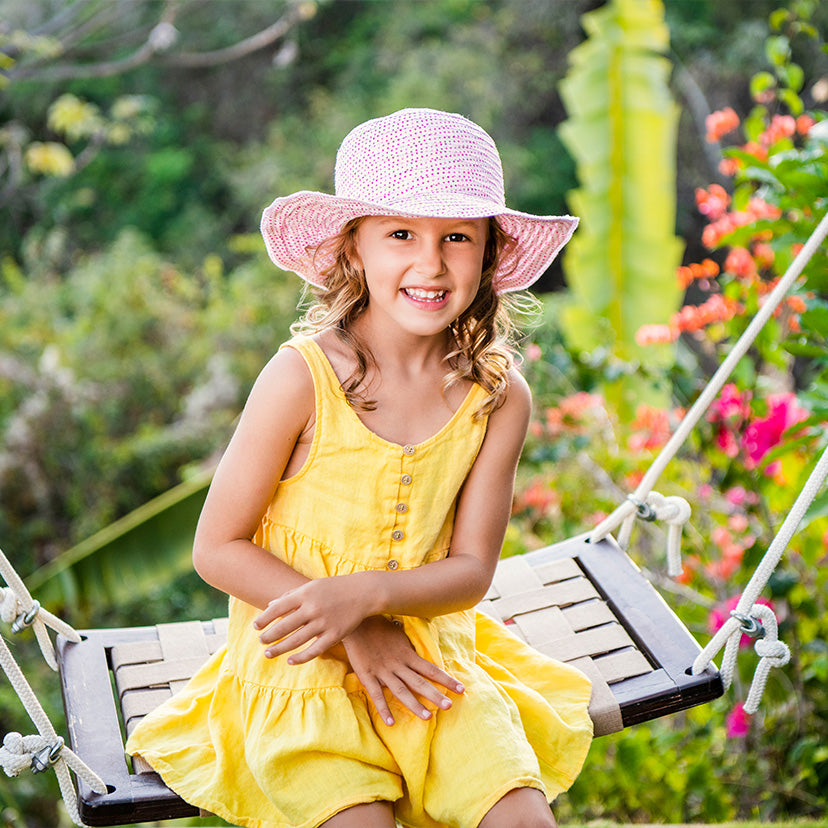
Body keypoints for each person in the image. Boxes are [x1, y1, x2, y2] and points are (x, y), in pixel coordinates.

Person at [125, 107, 593, 828]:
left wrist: (373, 602)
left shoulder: (498, 395)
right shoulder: (301, 379)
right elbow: (216, 548)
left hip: (424, 656)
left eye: (457, 238)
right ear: (354, 249)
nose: (431, 263)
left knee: (523, 819)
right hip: (299, 666)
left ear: (490, 255)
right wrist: (351, 626)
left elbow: (470, 572)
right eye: (401, 233)